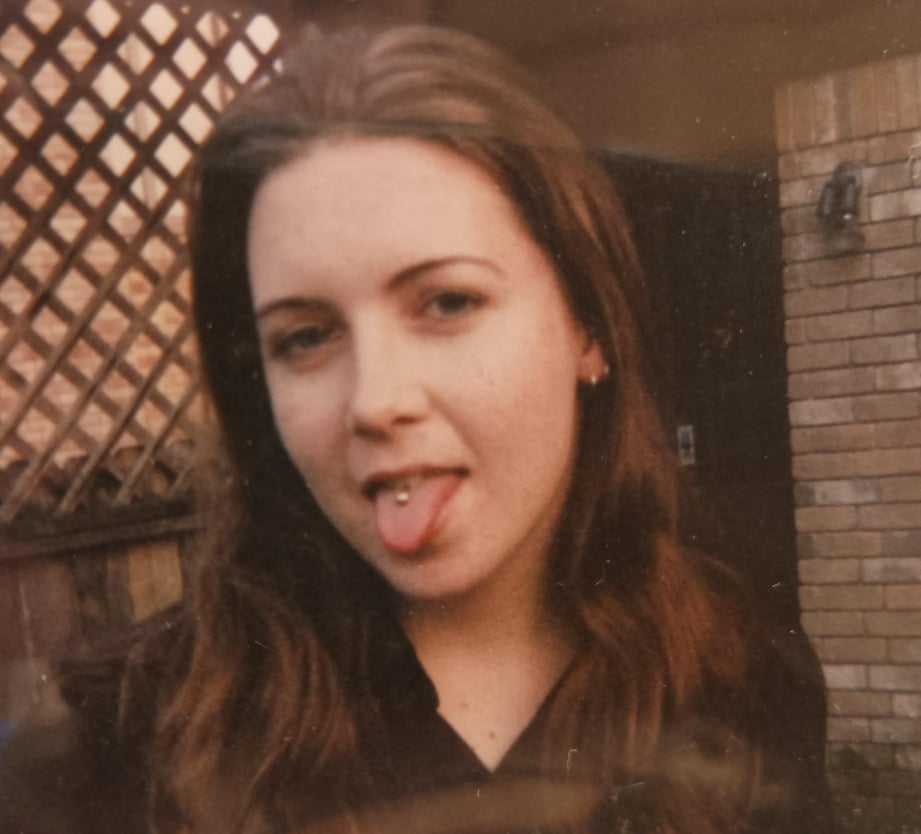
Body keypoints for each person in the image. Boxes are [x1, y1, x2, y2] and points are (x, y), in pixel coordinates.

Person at [0, 24, 834, 834]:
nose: (374, 401)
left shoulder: (740, 673)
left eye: (447, 301)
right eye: (306, 337)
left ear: (588, 324)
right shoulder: (117, 737)